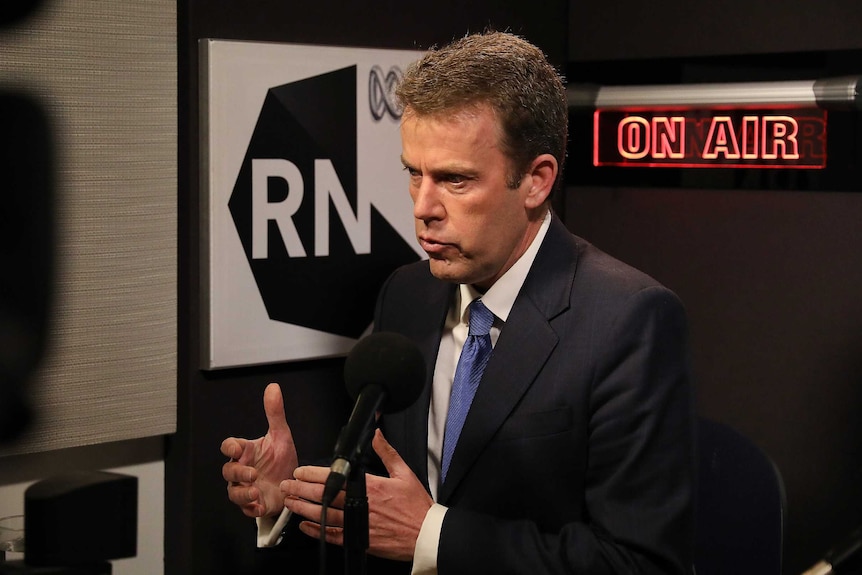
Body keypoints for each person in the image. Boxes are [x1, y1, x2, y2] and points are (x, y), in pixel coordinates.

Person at [222, 31, 695, 574]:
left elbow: (641, 564)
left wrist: (434, 537)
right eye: (414, 174)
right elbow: (389, 503)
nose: (424, 207)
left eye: (455, 180)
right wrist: (292, 497)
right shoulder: (406, 292)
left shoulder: (629, 320)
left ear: (536, 181)